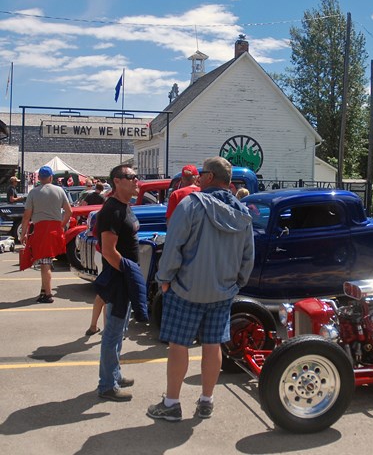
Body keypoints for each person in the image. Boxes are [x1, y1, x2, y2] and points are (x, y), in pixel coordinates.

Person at [148, 156, 254, 421]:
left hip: (186, 289)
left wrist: (165, 277)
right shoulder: (242, 212)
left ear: (208, 177)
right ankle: (206, 400)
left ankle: (171, 403)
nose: (198, 177)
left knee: (178, 346)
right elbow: (247, 257)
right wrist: (236, 282)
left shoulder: (190, 205)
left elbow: (173, 246)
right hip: (223, 291)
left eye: (202, 173)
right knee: (212, 344)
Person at [94, 164, 149, 402]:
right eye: (132, 177)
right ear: (117, 181)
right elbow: (108, 251)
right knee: (113, 333)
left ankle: (114, 374)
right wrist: (129, 275)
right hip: (118, 280)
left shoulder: (125, 206)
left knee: (120, 332)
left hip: (124, 279)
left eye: (137, 177)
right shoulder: (112, 210)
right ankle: (106, 385)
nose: (137, 181)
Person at [20, 166, 72, 303]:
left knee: (44, 263)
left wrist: (23, 234)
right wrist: (61, 225)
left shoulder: (34, 193)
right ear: (51, 177)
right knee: (47, 262)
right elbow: (69, 212)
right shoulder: (60, 190)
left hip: (41, 229)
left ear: (40, 178)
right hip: (55, 229)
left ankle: (48, 294)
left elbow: (26, 216)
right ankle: (44, 291)